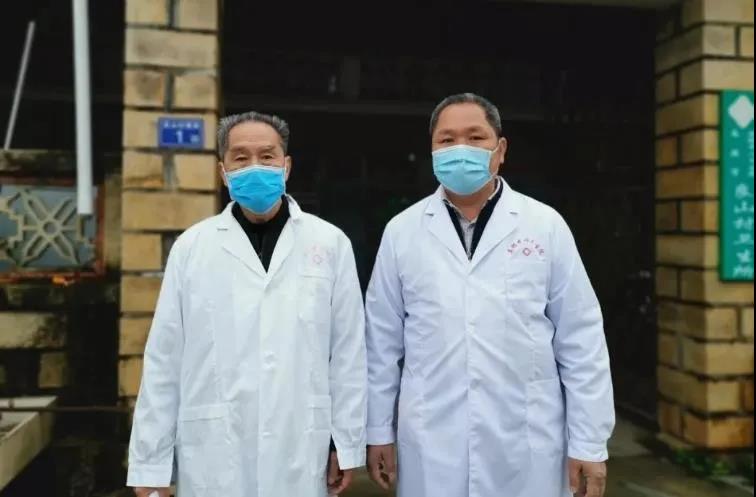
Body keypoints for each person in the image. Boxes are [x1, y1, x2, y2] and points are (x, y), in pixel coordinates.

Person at [365, 93, 615, 497]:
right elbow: (381, 343)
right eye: (447, 140)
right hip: (432, 441)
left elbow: (581, 338)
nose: (460, 149)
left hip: (527, 440)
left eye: (475, 137)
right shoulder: (402, 232)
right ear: (432, 151)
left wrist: (589, 441)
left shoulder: (545, 225)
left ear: (500, 150)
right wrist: (377, 430)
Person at [127, 111, 367, 497]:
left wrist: (345, 441)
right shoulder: (192, 247)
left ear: (286, 166)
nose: (255, 166)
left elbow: (348, 353)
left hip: (300, 442)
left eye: (267, 156)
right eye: (240, 158)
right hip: (214, 447)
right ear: (223, 172)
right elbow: (164, 359)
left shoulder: (329, 243)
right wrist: (150, 463)